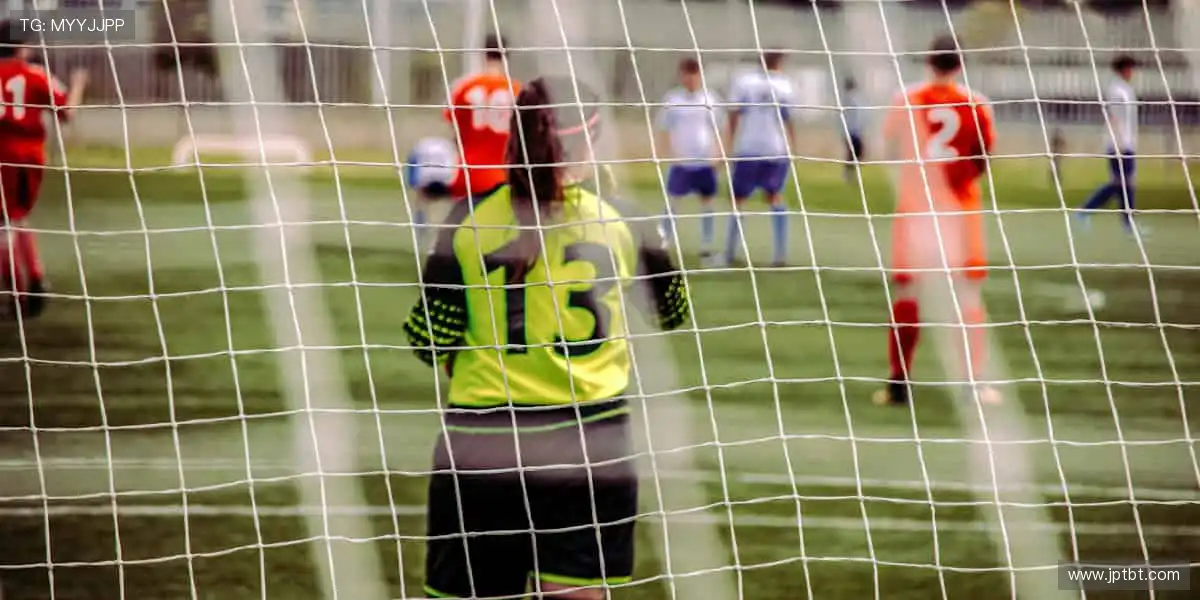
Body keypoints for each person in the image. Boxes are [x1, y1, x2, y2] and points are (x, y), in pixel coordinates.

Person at [403, 76, 690, 599]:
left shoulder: (464, 220)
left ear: (516, 137)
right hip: (590, 445)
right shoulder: (627, 220)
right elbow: (671, 313)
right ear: (593, 141)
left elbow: (429, 341)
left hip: (482, 445)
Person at [875, 35, 998, 407]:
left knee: (909, 295)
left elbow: (889, 148)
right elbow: (984, 158)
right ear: (959, 65)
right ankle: (973, 384)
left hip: (916, 211)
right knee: (966, 296)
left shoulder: (906, 100)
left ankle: (898, 383)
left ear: (929, 62)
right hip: (959, 212)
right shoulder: (976, 103)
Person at [0, 20, 88, 318]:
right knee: (17, 218)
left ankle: (17, 290)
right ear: (23, 47)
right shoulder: (37, 74)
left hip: (2, 153)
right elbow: (68, 114)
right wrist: (78, 84)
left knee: (5, 223)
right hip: (30, 157)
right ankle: (32, 282)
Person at [411, 33, 520, 251]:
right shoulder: (518, 91)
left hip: (467, 176)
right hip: (504, 178)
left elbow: (453, 131)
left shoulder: (464, 86)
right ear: (507, 56)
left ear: (482, 54)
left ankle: (429, 245)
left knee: (424, 194)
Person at [724, 51, 795, 268]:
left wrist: (728, 145)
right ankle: (780, 254)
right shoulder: (785, 85)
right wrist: (793, 148)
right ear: (779, 63)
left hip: (748, 148)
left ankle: (729, 252)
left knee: (738, 199)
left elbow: (734, 115)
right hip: (775, 149)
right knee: (774, 196)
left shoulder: (745, 82)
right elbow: (789, 120)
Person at [656, 57, 722, 264]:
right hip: (681, 163)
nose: (691, 79)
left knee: (707, 203)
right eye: (687, 74)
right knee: (672, 202)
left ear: (700, 76)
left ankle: (706, 246)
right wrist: (668, 153)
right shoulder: (673, 99)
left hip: (705, 162)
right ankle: (664, 242)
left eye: (694, 74)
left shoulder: (711, 99)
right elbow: (663, 129)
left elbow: (720, 129)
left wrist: (719, 154)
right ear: (681, 75)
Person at [1075, 54, 1142, 236]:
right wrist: (1119, 143)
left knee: (1125, 184)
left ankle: (1127, 223)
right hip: (1118, 144)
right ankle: (1085, 211)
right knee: (1120, 183)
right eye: (1129, 68)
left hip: (1127, 142)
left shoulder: (1127, 90)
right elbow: (1114, 118)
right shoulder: (1116, 90)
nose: (1132, 72)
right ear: (1123, 69)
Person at [842, 76, 865, 183]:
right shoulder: (848, 99)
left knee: (857, 153)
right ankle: (848, 174)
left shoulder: (855, 98)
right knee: (852, 153)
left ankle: (850, 173)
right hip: (851, 131)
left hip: (855, 131)